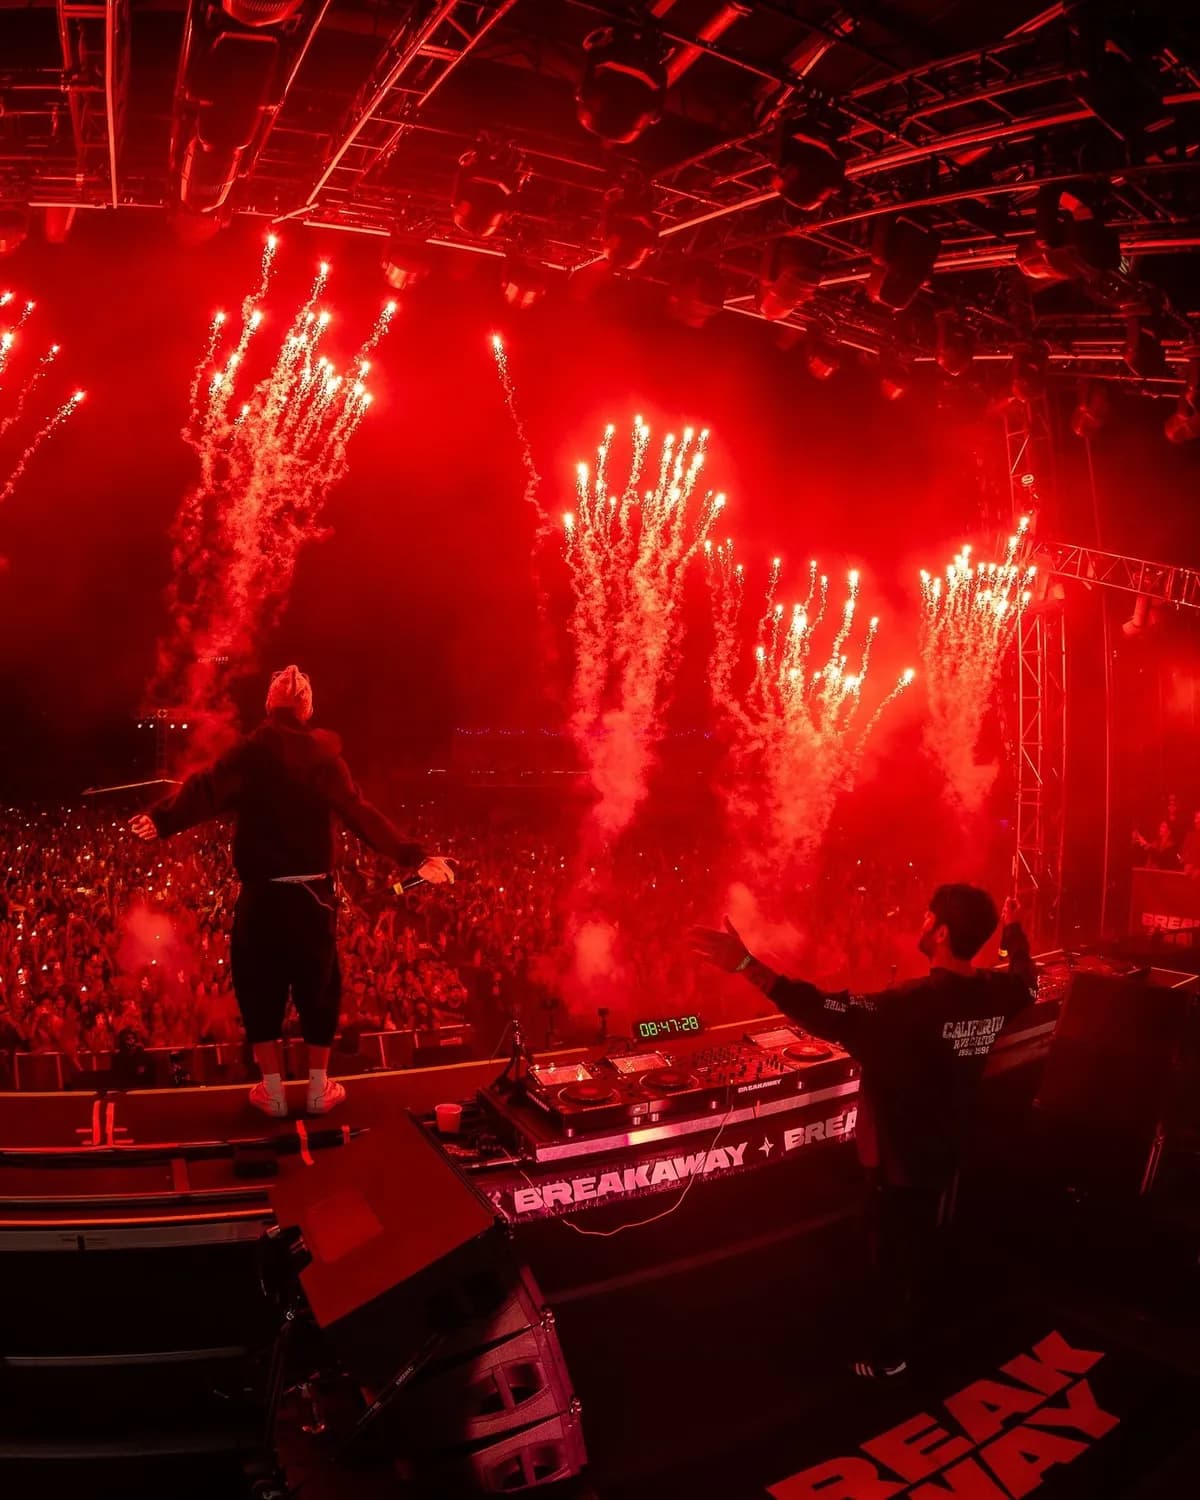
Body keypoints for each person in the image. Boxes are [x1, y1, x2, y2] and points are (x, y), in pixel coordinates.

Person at [690, 885, 1034, 1379]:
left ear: (940, 932)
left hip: (896, 1165)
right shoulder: (996, 993)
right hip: (948, 1149)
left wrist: (745, 964)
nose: (919, 922)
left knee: (890, 1263)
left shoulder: (908, 1006)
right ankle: (920, 1321)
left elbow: (821, 1010)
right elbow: (1027, 981)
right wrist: (1016, 931)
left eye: (926, 916)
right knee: (921, 1246)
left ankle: (888, 1358)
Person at [130, 666, 455, 1117]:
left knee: (257, 986)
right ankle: (319, 1089)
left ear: (269, 705)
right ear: (307, 708)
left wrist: (163, 819)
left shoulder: (250, 753)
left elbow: (207, 788)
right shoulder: (324, 759)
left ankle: (273, 1092)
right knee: (318, 987)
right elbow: (360, 813)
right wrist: (414, 855)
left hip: (261, 897)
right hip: (312, 898)